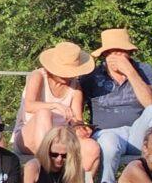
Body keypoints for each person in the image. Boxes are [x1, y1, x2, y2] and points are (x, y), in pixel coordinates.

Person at [84, 29, 152, 183]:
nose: (117, 56)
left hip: (138, 133)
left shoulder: (142, 70)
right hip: (107, 133)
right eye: (112, 52)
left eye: (121, 51)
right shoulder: (92, 76)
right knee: (109, 143)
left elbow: (150, 102)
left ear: (129, 53)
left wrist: (130, 72)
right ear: (105, 54)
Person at [16, 42, 101, 174]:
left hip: (62, 138)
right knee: (44, 113)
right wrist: (54, 105)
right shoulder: (38, 76)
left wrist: (81, 128)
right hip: (30, 135)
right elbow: (29, 105)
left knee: (92, 147)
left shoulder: (76, 87)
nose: (68, 76)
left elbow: (76, 120)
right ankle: (46, 175)